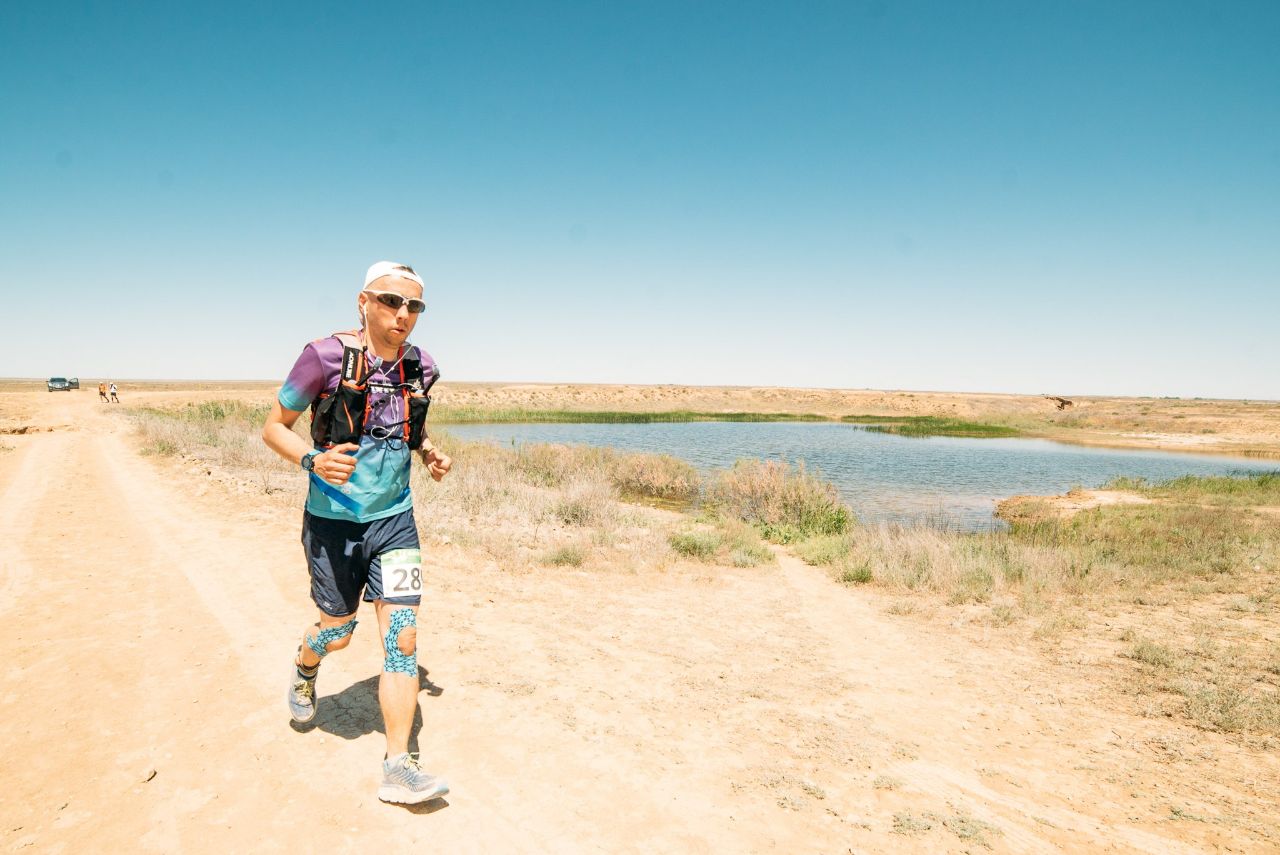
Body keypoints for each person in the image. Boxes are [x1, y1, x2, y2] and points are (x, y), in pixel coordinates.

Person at [261, 261, 453, 805]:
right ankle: (307, 663)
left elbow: (407, 426)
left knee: (403, 641)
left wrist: (427, 451)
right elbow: (274, 427)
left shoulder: (421, 366)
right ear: (363, 301)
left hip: (395, 522)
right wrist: (313, 461)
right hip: (333, 524)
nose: (403, 314)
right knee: (339, 631)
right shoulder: (322, 356)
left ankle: (398, 767)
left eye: (414, 305)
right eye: (391, 301)